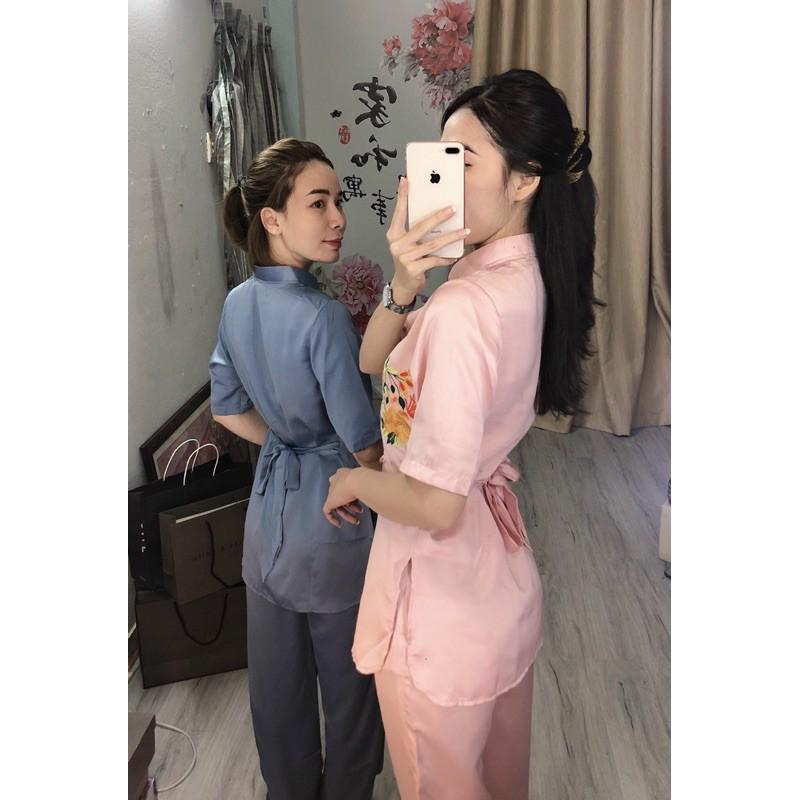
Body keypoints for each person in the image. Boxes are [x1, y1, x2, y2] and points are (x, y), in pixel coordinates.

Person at [323, 69, 602, 799]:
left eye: (464, 160)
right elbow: (375, 362)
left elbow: (435, 504)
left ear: (524, 180)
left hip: (440, 606)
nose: (440, 178)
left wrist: (353, 479)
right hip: (498, 586)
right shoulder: (524, 277)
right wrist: (404, 282)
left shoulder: (465, 308)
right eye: (439, 157)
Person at [209, 138, 385, 800]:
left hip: (267, 522)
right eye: (318, 203)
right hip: (334, 521)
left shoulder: (235, 303)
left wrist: (284, 439)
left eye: (338, 201)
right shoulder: (323, 317)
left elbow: (227, 410)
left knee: (276, 691)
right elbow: (365, 448)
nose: (338, 217)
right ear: (272, 218)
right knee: (350, 693)